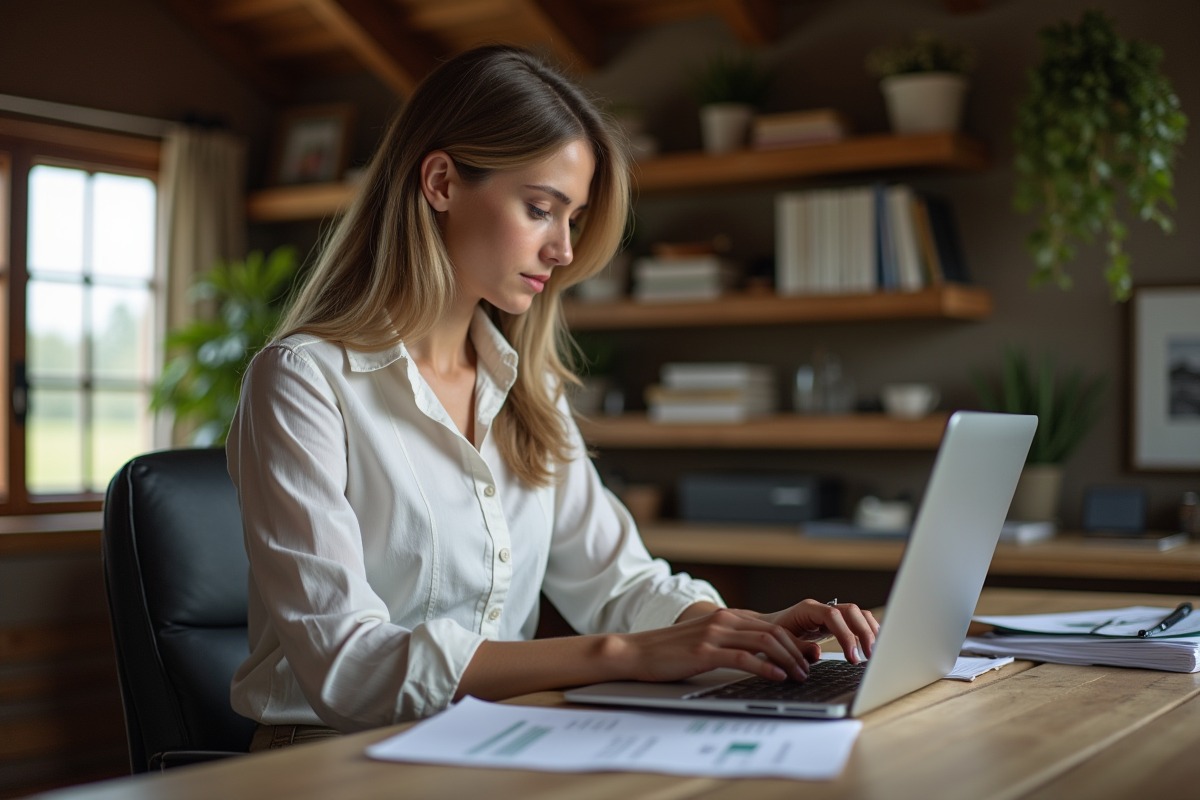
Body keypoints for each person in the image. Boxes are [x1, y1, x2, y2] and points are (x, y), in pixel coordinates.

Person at [228, 45, 879, 747]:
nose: (564, 250)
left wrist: (740, 632)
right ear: (442, 182)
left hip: (494, 744)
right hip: (329, 764)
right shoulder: (302, 381)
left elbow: (620, 584)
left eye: (573, 218)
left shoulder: (526, 389)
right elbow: (347, 665)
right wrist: (620, 655)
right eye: (542, 209)